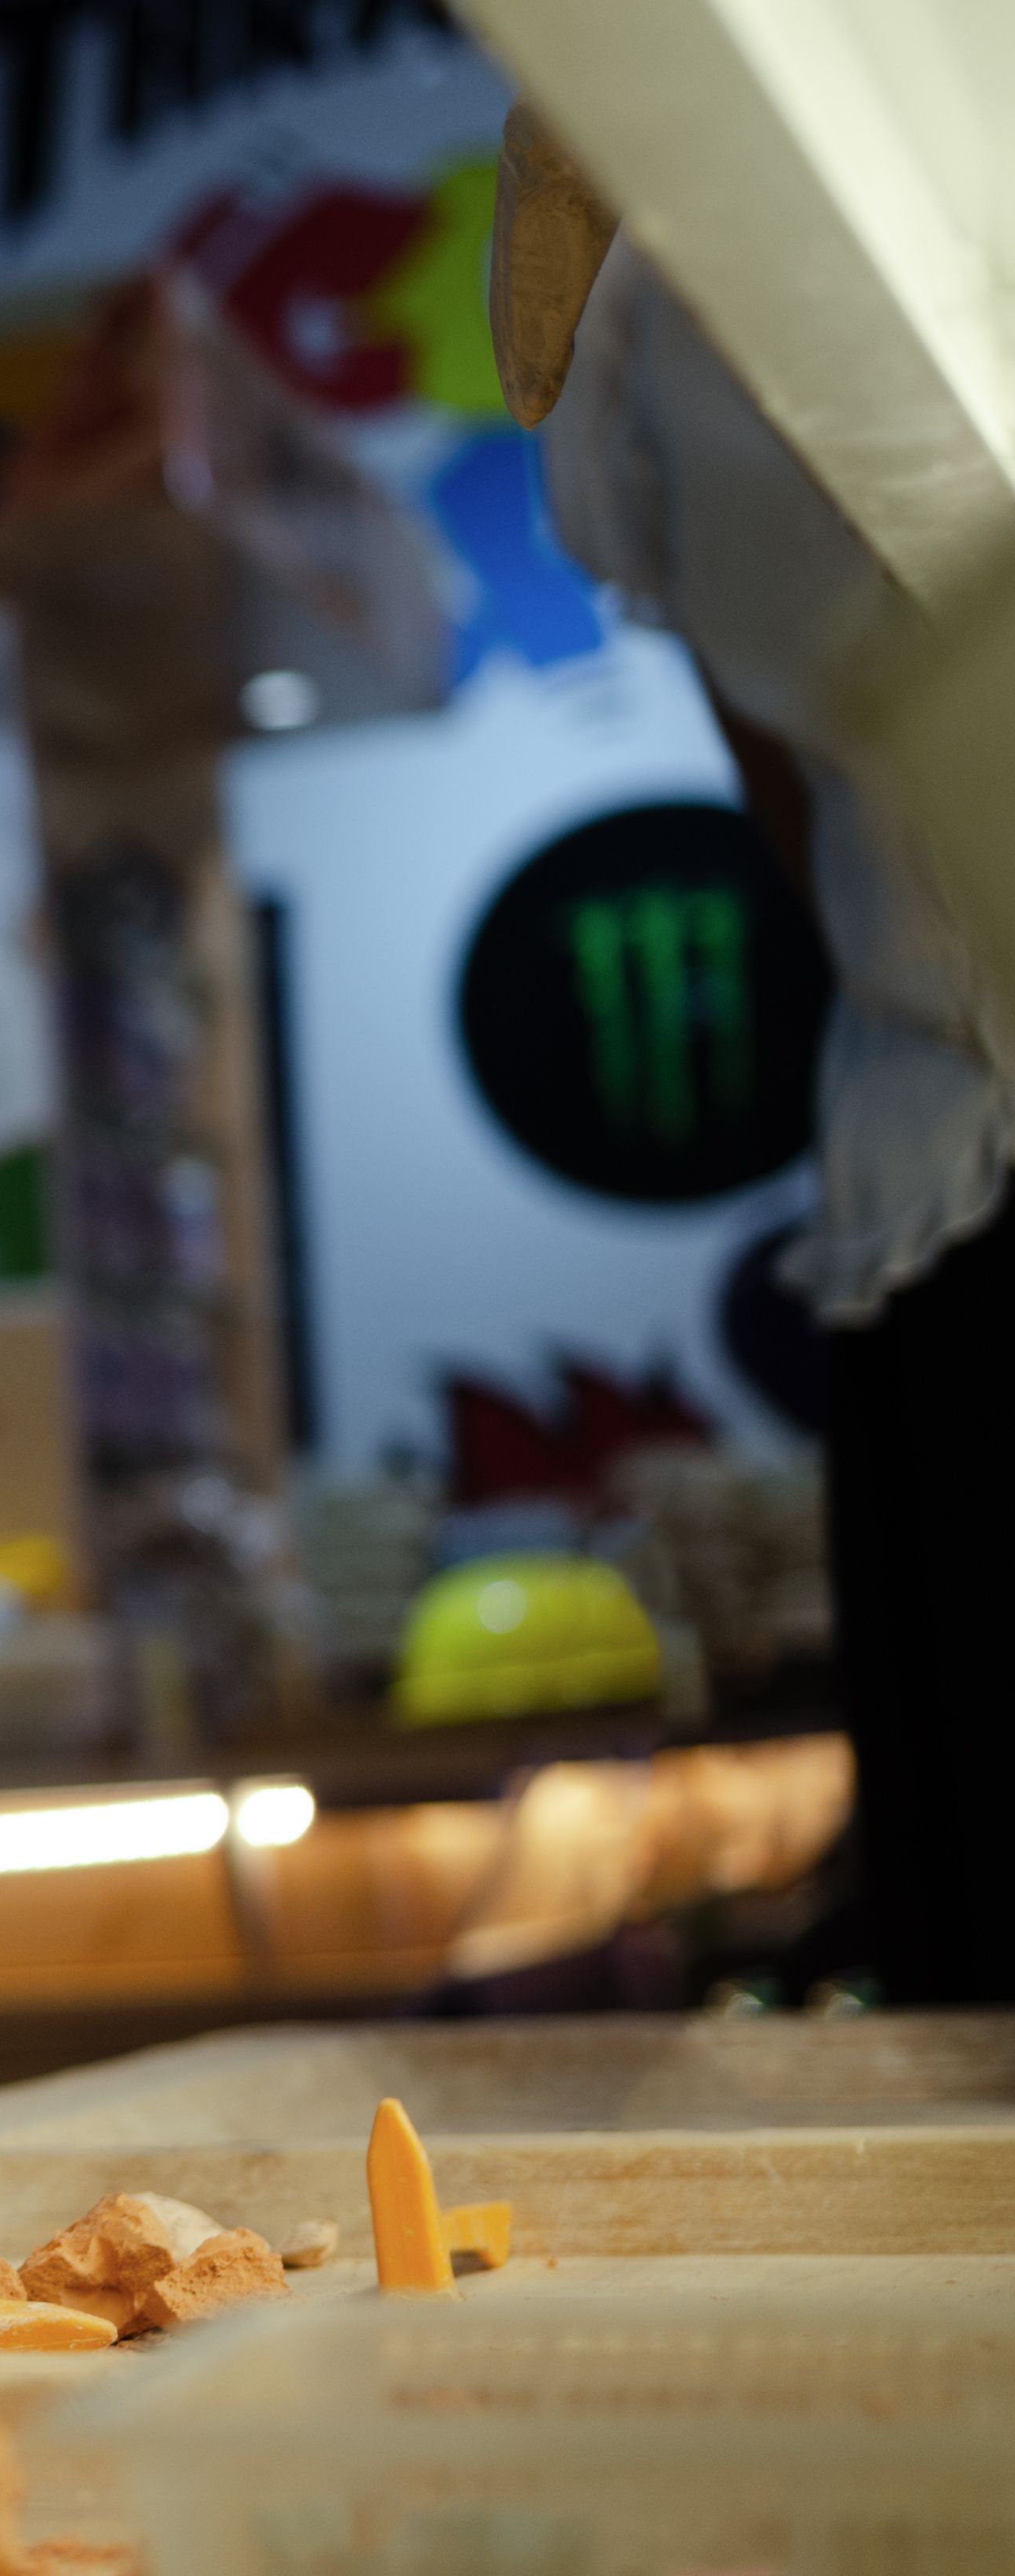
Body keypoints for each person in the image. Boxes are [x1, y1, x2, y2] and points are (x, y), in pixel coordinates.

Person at [542, 242, 1015, 2007]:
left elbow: (784, 771)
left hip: (935, 1185)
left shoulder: (643, 271)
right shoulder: (638, 261)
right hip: (941, 1208)